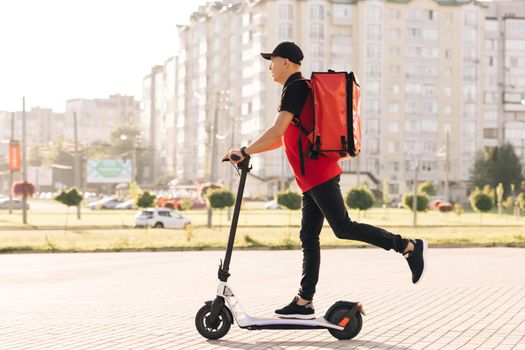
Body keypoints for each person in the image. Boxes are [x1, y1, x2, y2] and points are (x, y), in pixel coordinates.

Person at [222, 41, 427, 320]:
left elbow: (276, 130)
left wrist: (244, 150)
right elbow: (280, 138)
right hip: (311, 178)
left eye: (272, 61)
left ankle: (407, 245)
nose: (269, 67)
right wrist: (248, 151)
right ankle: (304, 301)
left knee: (342, 227)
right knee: (309, 236)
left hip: (318, 174)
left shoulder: (295, 88)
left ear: (286, 62)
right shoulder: (295, 90)